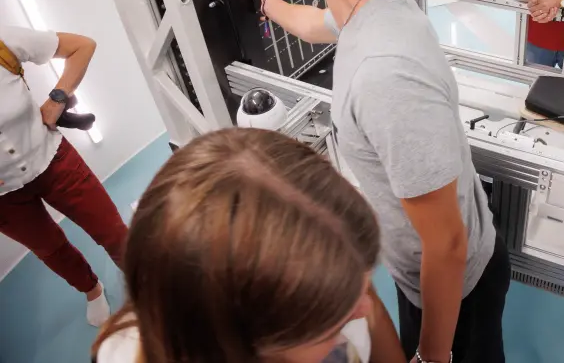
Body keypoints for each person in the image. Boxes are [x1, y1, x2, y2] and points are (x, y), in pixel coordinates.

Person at [257, 0, 509, 363]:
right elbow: (313, 23)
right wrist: (271, 4)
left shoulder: (383, 74)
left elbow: (446, 244)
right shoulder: (376, 8)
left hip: (454, 289)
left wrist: (429, 358)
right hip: (424, 273)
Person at [92, 128, 405, 363]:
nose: (364, 309)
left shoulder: (331, 280)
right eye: (327, 328)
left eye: (362, 286)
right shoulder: (121, 352)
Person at [0, 25, 126, 327]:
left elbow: (83, 45)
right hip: (4, 199)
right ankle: (91, 290)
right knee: (50, 249)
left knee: (112, 230)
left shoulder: (4, 40)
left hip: (53, 159)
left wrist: (57, 98)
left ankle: (143, 276)